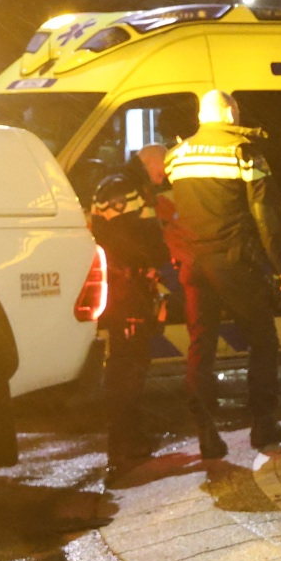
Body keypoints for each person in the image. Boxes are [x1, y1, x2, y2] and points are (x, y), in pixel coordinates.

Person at [163, 89, 281, 457]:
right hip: (234, 263)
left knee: (201, 350)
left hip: (194, 266)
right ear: (230, 114)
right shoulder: (244, 153)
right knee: (263, 341)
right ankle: (263, 425)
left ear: (202, 117)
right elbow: (266, 212)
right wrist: (279, 265)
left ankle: (206, 433)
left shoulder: (177, 156)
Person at [89, 145, 171, 480]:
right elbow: (133, 240)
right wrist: (156, 259)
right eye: (163, 168)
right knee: (129, 366)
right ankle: (123, 444)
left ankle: (130, 437)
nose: (165, 176)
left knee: (131, 362)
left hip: (126, 287)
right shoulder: (126, 189)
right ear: (150, 163)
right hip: (127, 290)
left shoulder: (117, 183)